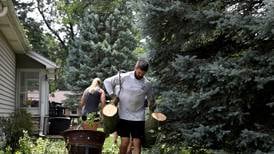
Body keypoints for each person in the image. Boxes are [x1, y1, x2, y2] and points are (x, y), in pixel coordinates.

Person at [104, 59, 155, 154]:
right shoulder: (124, 77)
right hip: (124, 114)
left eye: (142, 74)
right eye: (139, 72)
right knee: (125, 142)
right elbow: (107, 82)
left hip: (139, 116)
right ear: (135, 68)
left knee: (137, 142)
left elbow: (151, 98)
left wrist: (152, 104)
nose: (140, 75)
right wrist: (113, 96)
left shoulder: (147, 84)